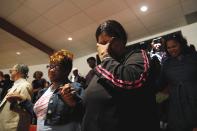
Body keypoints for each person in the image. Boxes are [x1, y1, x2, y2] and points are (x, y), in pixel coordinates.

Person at [82, 20, 159, 131]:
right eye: (102, 44)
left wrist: (106, 57)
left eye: (110, 42)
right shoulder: (102, 67)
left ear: (122, 40)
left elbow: (133, 80)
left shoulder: (136, 55)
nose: (106, 48)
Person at [7, 49, 84, 131]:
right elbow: (37, 113)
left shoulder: (74, 87)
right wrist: (21, 99)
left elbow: (85, 114)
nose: (51, 70)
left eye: (56, 67)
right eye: (50, 66)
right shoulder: (43, 92)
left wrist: (72, 103)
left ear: (66, 70)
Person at [159, 34, 197, 131]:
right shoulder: (166, 64)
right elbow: (161, 83)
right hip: (177, 103)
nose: (172, 49)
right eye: (169, 47)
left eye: (174, 46)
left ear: (181, 44)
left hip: (194, 99)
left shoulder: (193, 58)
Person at [0, 64, 32, 131]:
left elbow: (25, 111)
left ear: (17, 71)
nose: (10, 72)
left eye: (11, 71)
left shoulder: (24, 85)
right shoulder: (16, 85)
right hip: (6, 125)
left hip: (13, 127)